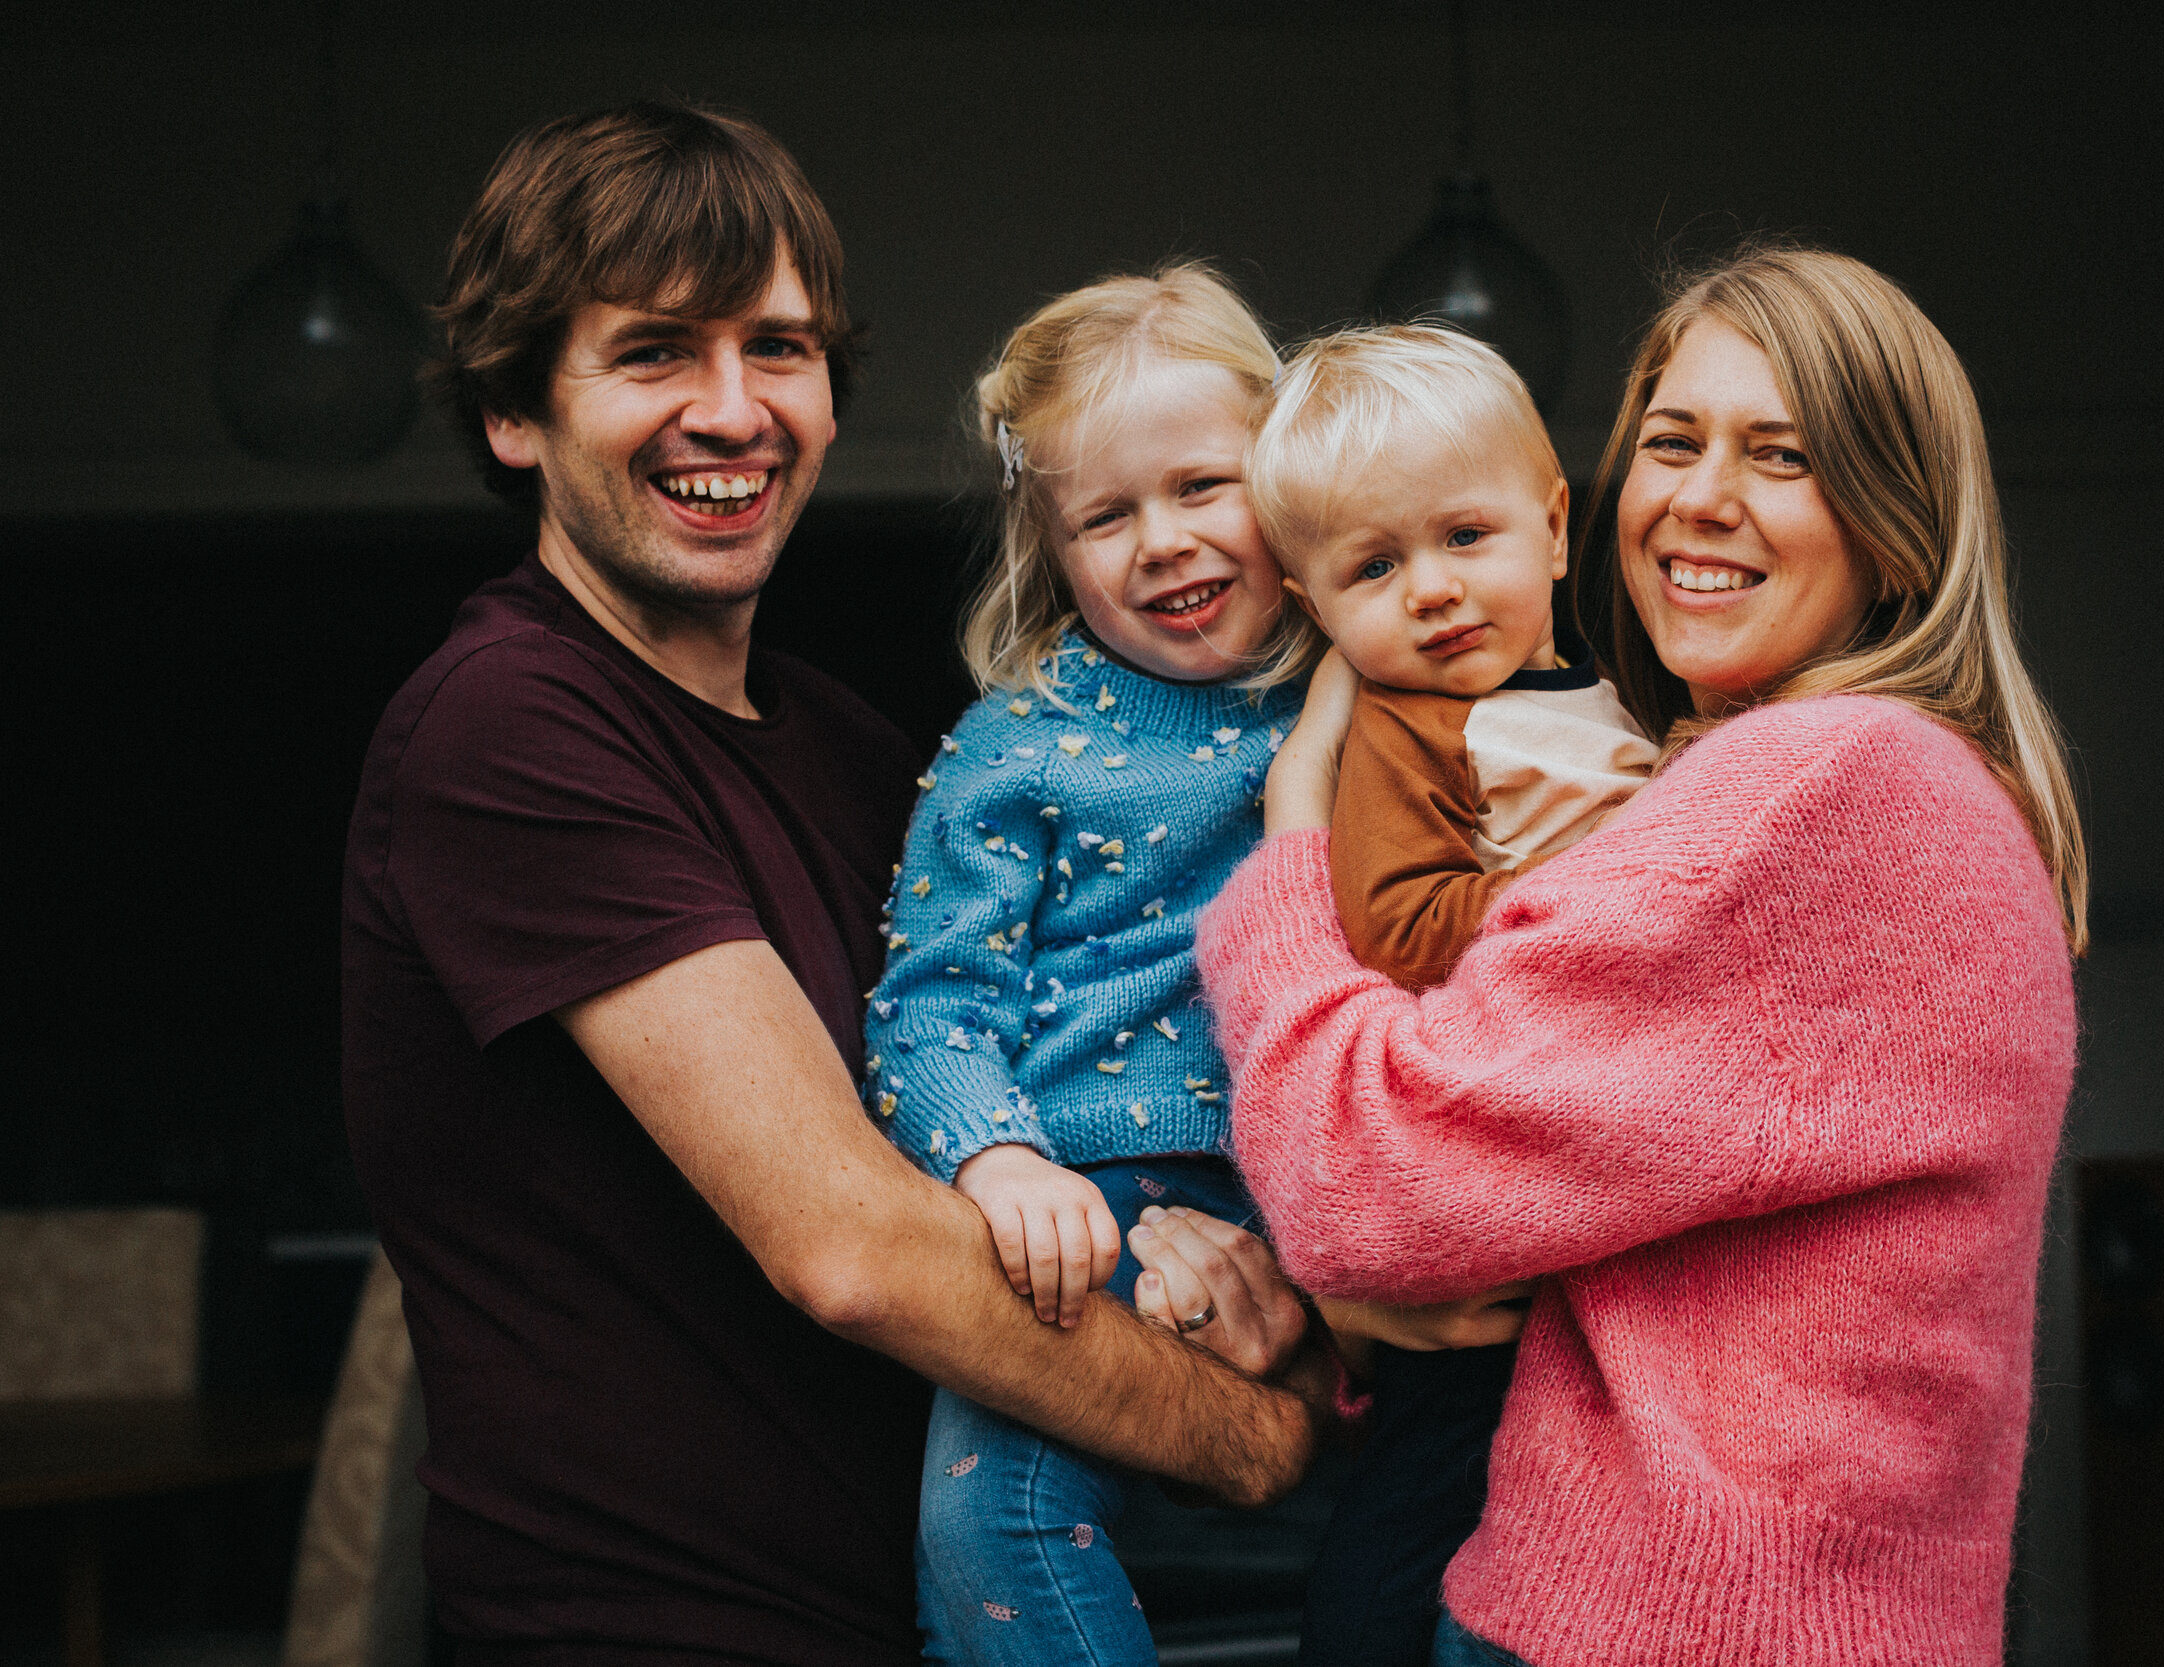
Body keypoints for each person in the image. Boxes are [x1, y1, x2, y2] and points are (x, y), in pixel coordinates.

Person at [341, 103, 1318, 1667]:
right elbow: (856, 1248)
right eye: (657, 352)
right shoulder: (511, 725)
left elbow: (1016, 1081)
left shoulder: (861, 754)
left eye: (778, 350)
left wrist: (1198, 1249)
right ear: (514, 413)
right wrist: (1265, 1435)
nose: (734, 411)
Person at [1194, 245, 2087, 1666]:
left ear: (1896, 527)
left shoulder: (1816, 783)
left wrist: (1293, 846)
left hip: (1677, 1626)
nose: (1701, 498)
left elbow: (1360, 1176)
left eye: (1779, 456)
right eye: (1673, 441)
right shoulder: (1906, 791)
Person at [865, 262, 1317, 1664]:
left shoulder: (1373, 690)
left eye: (1202, 487)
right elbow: (930, 1002)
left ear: (1290, 474)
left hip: (1332, 1212)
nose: (1162, 543)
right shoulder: (1011, 748)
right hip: (1079, 1211)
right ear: (1046, 542)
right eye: (1105, 515)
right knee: (979, 1530)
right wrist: (999, 1161)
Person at [1239, 323, 1657, 1666]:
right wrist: (1609, 901)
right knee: (1422, 1519)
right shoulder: (1406, 727)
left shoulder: (1629, 695)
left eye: (1464, 537)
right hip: (1464, 1233)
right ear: (1315, 609)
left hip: (1603, 1212)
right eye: (1373, 566)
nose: (1430, 590)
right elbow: (1399, 922)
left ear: (1552, 527)